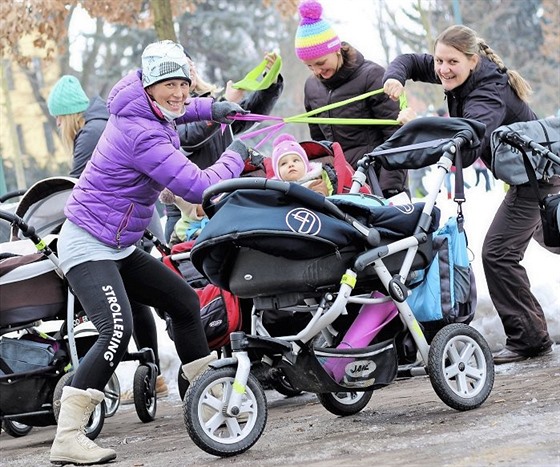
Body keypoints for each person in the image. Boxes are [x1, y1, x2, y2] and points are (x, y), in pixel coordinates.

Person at [48, 40, 250, 465]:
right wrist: (236, 155)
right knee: (115, 330)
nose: (178, 92)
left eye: (184, 82)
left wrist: (210, 110)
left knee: (182, 301)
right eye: (168, 84)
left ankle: (202, 394)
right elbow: (196, 186)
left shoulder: (144, 107)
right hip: (87, 242)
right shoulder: (139, 133)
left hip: (118, 244)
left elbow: (174, 110)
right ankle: (67, 435)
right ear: (149, 83)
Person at [382, 24, 559, 364]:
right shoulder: (463, 76)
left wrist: (416, 126)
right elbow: (409, 61)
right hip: (532, 178)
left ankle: (530, 338)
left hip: (539, 180)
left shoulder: (486, 94)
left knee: (498, 253)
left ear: (473, 61)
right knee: (552, 239)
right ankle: (532, 334)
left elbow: (465, 145)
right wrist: (395, 76)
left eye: (452, 62)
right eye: (439, 61)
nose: (443, 69)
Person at [47, 75, 170, 400]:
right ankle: (153, 372)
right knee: (134, 305)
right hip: (125, 222)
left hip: (115, 227)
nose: (59, 125)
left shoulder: (89, 133)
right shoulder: (102, 123)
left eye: (59, 118)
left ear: (68, 115)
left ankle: (151, 373)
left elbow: (75, 187)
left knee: (127, 313)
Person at [162, 51, 284, 242]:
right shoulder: (166, 111)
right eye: (182, 65)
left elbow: (249, 114)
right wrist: (225, 104)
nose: (190, 68)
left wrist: (270, 82)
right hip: (187, 218)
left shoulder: (208, 102)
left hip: (222, 203)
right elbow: (189, 138)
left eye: (190, 63)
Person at [294, 0, 407, 199]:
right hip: (340, 184)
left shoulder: (372, 76)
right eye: (309, 66)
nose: (317, 71)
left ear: (336, 49)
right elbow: (320, 145)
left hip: (376, 178)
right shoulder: (311, 87)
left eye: (320, 63)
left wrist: (391, 187)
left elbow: (396, 135)